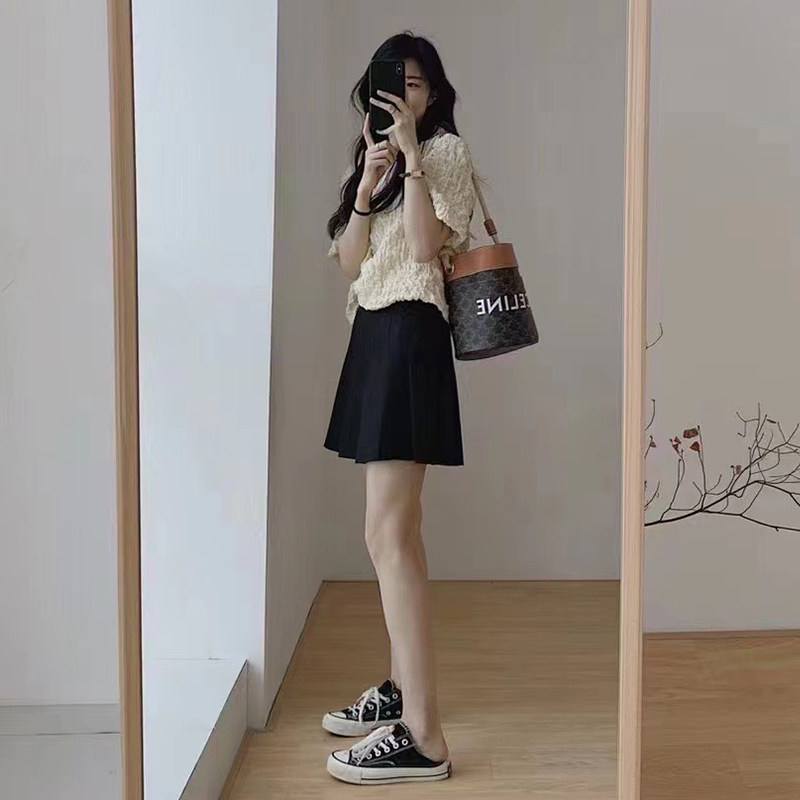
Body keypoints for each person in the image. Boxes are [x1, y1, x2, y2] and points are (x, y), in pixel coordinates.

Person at [321, 31, 476, 785]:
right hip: (375, 337)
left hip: (411, 336)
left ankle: (424, 734)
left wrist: (411, 158)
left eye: (413, 84)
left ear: (432, 93)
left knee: (386, 533)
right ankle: (400, 690)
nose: (402, 95)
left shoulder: (443, 153)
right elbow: (352, 262)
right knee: (396, 532)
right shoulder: (373, 160)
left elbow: (421, 250)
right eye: (392, 82)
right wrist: (367, 183)